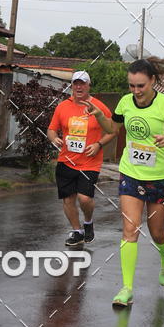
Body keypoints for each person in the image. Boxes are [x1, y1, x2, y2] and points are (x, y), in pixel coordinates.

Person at [82, 58, 164, 307]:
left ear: (153, 81)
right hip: (131, 173)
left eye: (141, 86)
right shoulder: (125, 102)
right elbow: (113, 128)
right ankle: (126, 289)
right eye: (132, 85)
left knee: (156, 232)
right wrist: (98, 116)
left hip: (161, 177)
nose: (136, 91)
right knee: (130, 229)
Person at [47, 71, 115, 248]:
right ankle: (77, 232)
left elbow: (113, 131)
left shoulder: (99, 106)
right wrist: (54, 138)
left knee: (84, 198)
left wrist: (99, 144)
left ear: (88, 86)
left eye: (82, 83)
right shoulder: (62, 107)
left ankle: (88, 222)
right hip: (66, 160)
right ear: (72, 85)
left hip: (90, 162)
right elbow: (51, 129)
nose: (79, 87)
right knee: (68, 199)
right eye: (76, 83)